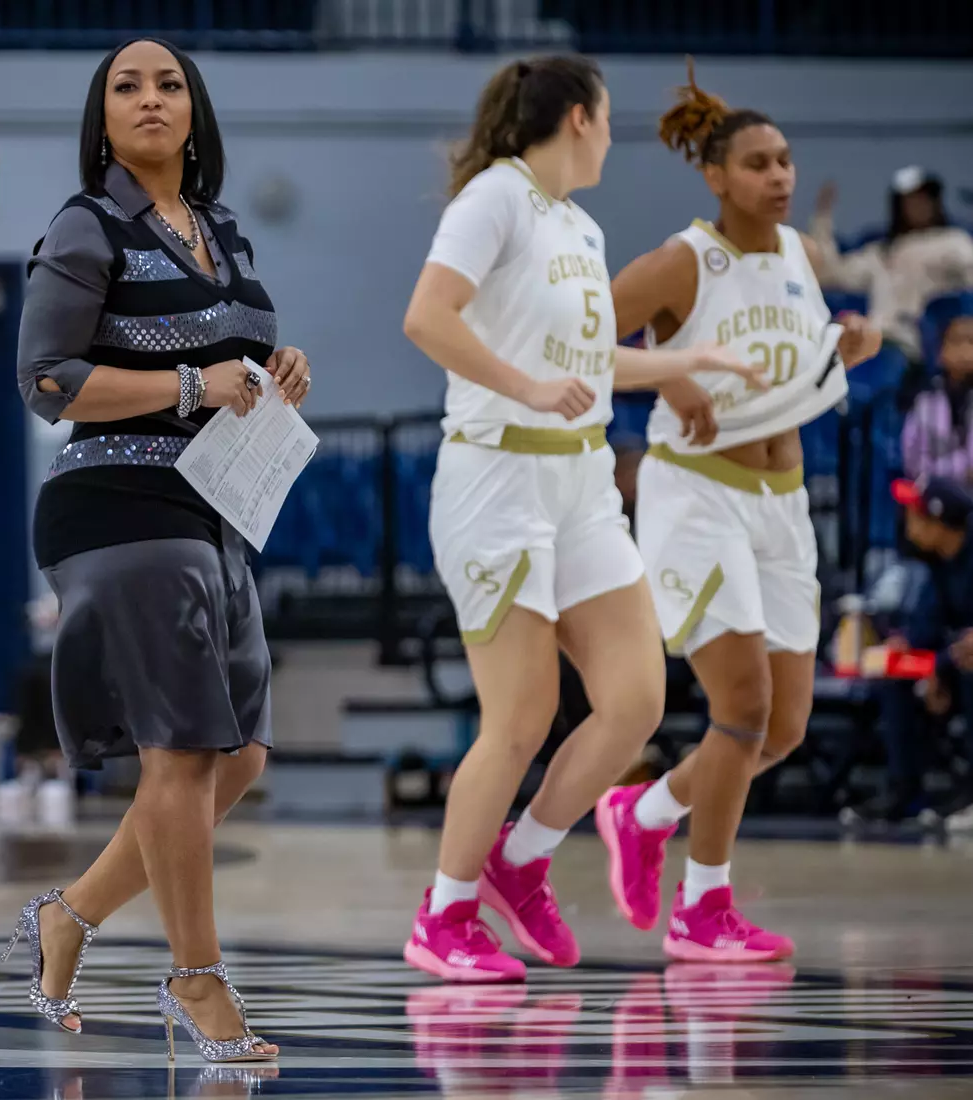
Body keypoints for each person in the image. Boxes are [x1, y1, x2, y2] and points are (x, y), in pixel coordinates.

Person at [399, 55, 758, 983]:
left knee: (637, 699)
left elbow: (589, 362)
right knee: (520, 716)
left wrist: (692, 362)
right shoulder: (494, 199)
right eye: (605, 114)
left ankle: (520, 862)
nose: (612, 129)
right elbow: (427, 318)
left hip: (583, 485)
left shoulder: (580, 225)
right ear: (576, 117)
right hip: (496, 482)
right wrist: (522, 385)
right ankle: (444, 915)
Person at [3, 38, 309, 1060]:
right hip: (118, 503)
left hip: (214, 505)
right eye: (125, 86)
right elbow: (45, 377)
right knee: (180, 752)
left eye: (168, 83)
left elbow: (234, 362)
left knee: (242, 756)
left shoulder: (220, 230)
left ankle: (70, 913)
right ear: (101, 119)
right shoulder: (84, 226)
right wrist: (191, 385)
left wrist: (275, 369)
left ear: (195, 110)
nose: (148, 98)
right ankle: (196, 978)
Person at [599, 64, 883, 963]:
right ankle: (702, 909)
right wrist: (670, 373)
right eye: (759, 163)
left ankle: (641, 814)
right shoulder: (683, 259)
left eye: (786, 161)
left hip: (782, 504)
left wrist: (856, 341)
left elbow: (802, 361)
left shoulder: (798, 253)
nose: (780, 176)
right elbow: (572, 335)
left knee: (786, 726)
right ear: (717, 177)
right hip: (697, 496)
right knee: (744, 708)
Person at [872, 477, 973, 829]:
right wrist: (917, 655)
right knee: (898, 677)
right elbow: (928, 624)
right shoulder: (938, 562)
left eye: (914, 514)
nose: (906, 522)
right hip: (956, 664)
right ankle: (905, 790)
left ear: (939, 522)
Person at [812, 167, 973, 366]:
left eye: (926, 198)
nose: (920, 205)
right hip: (872, 342)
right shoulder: (880, 251)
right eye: (912, 199)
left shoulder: (953, 242)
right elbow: (831, 274)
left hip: (913, 346)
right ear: (899, 205)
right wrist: (822, 219)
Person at [902, 312, 973, 481]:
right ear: (941, 351)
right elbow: (914, 462)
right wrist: (961, 470)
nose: (965, 351)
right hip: (937, 494)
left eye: (971, 342)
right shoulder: (926, 401)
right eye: (956, 341)